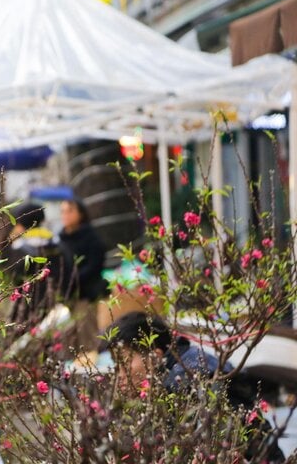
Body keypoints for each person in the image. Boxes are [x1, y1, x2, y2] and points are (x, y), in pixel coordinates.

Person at [101, 311, 285, 462]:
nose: (119, 374)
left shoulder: (183, 384)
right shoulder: (185, 364)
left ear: (155, 356)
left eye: (124, 363)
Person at [58, 198, 107, 352]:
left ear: (81, 214)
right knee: (67, 340)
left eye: (70, 211)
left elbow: (95, 264)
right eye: (63, 211)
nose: (65, 215)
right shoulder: (60, 239)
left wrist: (74, 279)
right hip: (65, 297)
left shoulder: (90, 237)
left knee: (87, 338)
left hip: (85, 295)